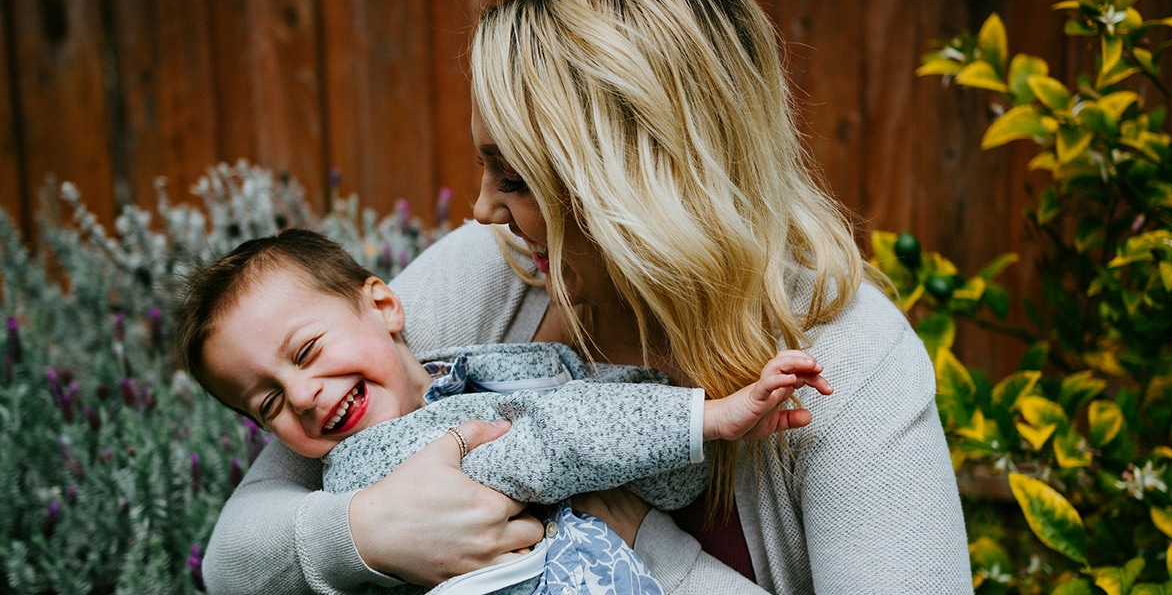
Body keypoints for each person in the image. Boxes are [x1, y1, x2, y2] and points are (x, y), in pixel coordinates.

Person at [201, 0, 973, 593]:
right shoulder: (490, 273)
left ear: (638, 181)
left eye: (515, 178)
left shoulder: (850, 366)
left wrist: (643, 546)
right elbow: (235, 558)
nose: (482, 210)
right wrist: (369, 532)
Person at [178, 228, 832, 594]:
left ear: (383, 306)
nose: (301, 396)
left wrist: (674, 450)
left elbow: (625, 448)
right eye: (268, 403)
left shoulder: (473, 374)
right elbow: (551, 441)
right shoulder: (372, 462)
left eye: (308, 351)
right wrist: (707, 420)